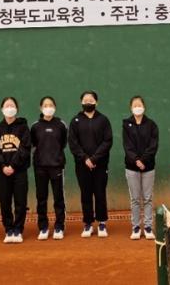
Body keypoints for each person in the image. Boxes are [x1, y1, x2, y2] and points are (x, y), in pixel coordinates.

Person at [69, 90, 113, 238]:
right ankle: (88, 223)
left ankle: (102, 223)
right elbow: (73, 143)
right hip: (82, 166)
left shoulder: (103, 120)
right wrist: (85, 159)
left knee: (100, 193)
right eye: (85, 100)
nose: (88, 102)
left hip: (100, 165)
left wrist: (94, 159)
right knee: (85, 194)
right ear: (81, 102)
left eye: (91, 100)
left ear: (96, 102)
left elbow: (107, 141)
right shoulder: (75, 121)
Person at [0, 97, 31, 243]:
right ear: (1, 109)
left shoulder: (23, 129)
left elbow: (25, 149)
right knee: (4, 201)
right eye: (6, 106)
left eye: (12, 105)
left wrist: (13, 165)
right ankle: (8, 229)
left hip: (19, 171)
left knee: (20, 201)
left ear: (17, 109)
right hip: (3, 173)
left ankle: (18, 230)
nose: (9, 108)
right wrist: (3, 166)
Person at [30, 96, 68, 240]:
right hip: (40, 167)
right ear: (41, 108)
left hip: (56, 166)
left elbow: (63, 143)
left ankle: (59, 227)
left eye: (50, 105)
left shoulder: (61, 125)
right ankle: (43, 227)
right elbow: (33, 144)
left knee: (58, 198)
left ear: (55, 107)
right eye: (45, 105)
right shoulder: (35, 126)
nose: (48, 107)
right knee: (41, 198)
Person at [122, 95, 159, 240]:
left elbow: (153, 146)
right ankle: (136, 227)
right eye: (135, 105)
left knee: (148, 198)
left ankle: (148, 227)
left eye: (140, 105)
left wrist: (143, 160)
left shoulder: (152, 125)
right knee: (135, 199)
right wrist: (136, 160)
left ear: (144, 107)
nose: (137, 107)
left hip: (148, 167)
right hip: (131, 167)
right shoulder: (126, 124)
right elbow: (127, 146)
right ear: (131, 108)